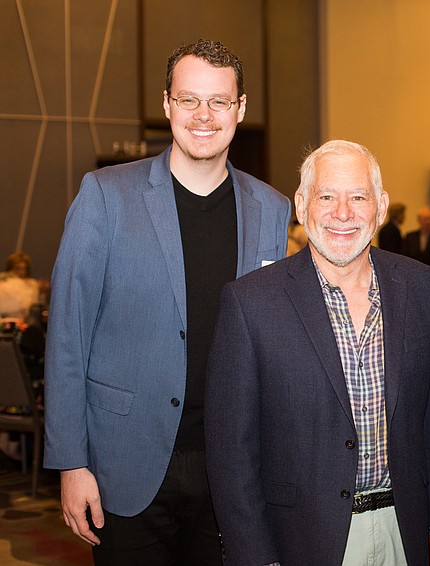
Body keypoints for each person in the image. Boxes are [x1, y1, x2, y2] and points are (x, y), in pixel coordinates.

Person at [43, 38, 291, 564]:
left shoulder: (271, 208)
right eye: (188, 100)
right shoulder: (105, 195)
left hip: (230, 469)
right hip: (123, 466)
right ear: (166, 105)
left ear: (240, 109)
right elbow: (68, 334)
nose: (203, 115)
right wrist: (71, 463)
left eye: (219, 101)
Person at [204, 140, 430, 565]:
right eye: (327, 196)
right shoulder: (251, 302)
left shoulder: (425, 288)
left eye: (358, 197)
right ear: (302, 204)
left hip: (403, 529)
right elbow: (232, 456)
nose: (343, 213)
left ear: (381, 206)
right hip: (301, 538)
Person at [403, 206, 430, 271]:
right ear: (419, 220)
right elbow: (404, 257)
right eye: (425, 219)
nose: (428, 222)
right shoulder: (410, 237)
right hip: (412, 272)